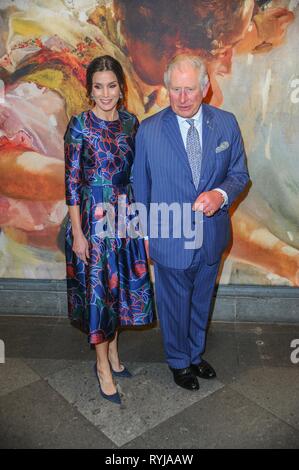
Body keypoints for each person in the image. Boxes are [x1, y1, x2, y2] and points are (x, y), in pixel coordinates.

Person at [133, 54, 250, 391]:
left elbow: (239, 174)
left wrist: (220, 195)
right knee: (173, 304)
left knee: (201, 299)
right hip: (168, 236)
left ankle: (195, 354)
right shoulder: (150, 131)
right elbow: (141, 185)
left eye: (189, 89)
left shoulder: (226, 123)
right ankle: (178, 361)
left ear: (205, 87)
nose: (182, 98)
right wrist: (143, 234)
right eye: (175, 90)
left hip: (212, 234)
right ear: (166, 89)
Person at [64, 55, 154, 404]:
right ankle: (101, 365)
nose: (105, 93)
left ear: (121, 87)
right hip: (91, 218)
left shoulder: (132, 123)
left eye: (111, 85)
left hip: (125, 216)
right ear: (90, 89)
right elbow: (71, 183)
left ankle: (114, 355)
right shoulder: (80, 125)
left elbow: (136, 177)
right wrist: (78, 233)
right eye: (98, 86)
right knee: (100, 293)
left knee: (119, 291)